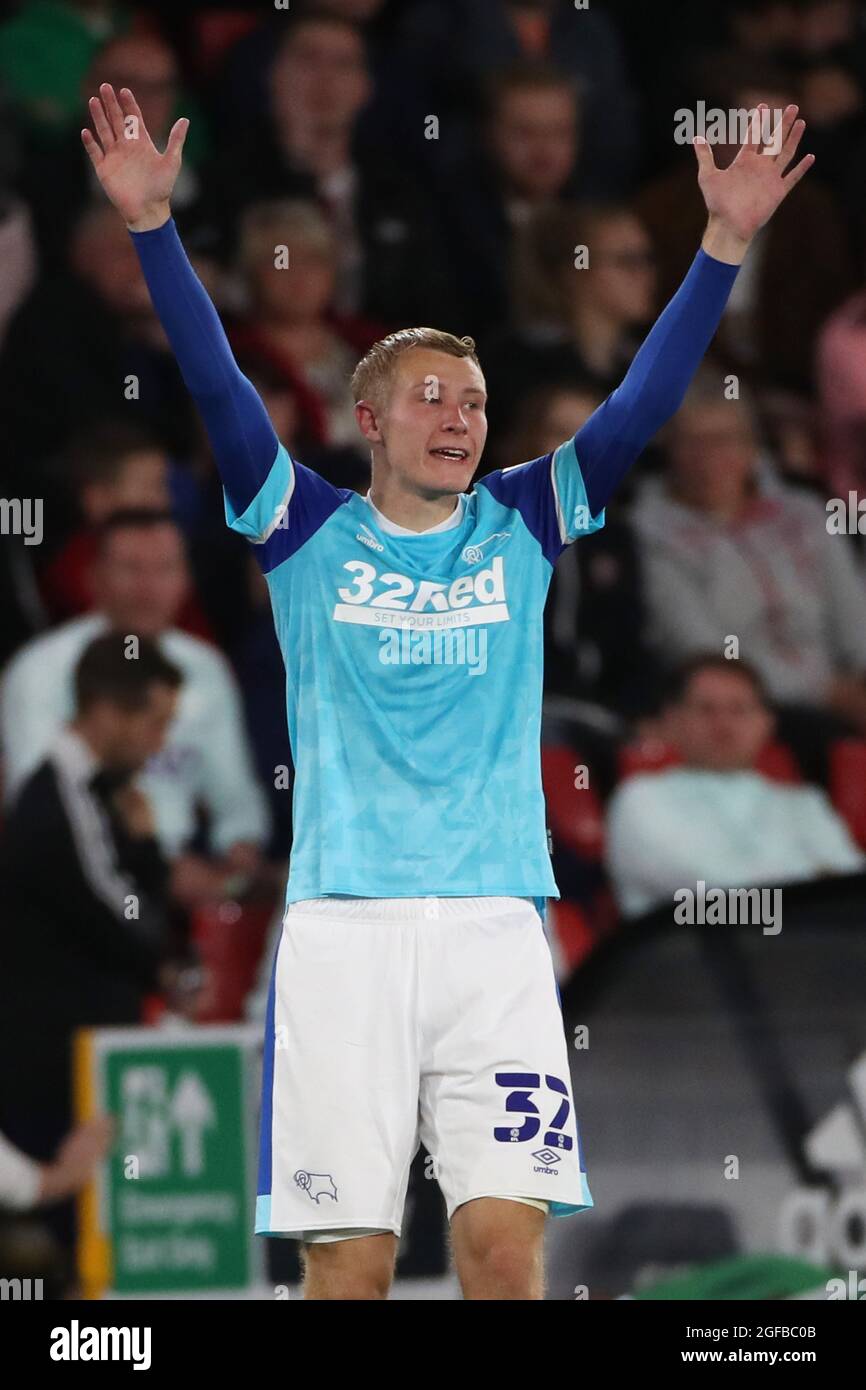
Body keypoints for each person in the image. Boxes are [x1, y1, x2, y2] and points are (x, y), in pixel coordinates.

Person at [82, 80, 813, 1299]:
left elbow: (638, 400)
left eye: (473, 402)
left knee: (500, 1250)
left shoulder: (524, 518)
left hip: (493, 935)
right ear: (367, 418)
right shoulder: (302, 528)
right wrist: (155, 233)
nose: (459, 417)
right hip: (340, 929)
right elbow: (215, 390)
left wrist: (721, 247)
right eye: (431, 396)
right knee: (353, 1266)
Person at [0, 634, 186, 1258]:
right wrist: (148, 850)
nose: (160, 744)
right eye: (156, 723)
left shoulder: (89, 797)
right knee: (77, 1264)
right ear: (109, 712)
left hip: (78, 1067)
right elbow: (129, 929)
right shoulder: (58, 803)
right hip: (53, 1083)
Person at [0, 510, 270, 899]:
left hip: (187, 887)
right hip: (72, 884)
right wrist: (153, 869)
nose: (149, 589)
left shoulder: (205, 669)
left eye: (164, 569)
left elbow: (234, 793)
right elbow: (36, 813)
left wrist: (239, 852)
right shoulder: (39, 671)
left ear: (186, 579)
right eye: (131, 569)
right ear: (93, 578)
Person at [606, 656, 865, 919]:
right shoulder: (641, 797)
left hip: (807, 948)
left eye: (739, 710)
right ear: (672, 719)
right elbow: (711, 891)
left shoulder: (805, 803)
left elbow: (849, 890)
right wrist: (809, 879)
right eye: (706, 709)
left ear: (766, 722)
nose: (724, 725)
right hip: (688, 950)